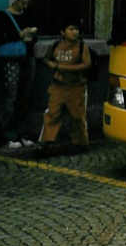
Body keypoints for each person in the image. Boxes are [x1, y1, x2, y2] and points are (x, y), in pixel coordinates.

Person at [0, 0, 38, 149]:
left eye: (27, 3)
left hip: (27, 58)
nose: (25, 6)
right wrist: (19, 35)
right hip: (10, 61)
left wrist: (31, 35)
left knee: (25, 97)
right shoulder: (3, 16)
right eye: (23, 2)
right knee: (10, 96)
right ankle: (5, 136)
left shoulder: (28, 15)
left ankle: (21, 134)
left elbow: (35, 38)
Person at [39, 19, 92, 151]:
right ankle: (47, 142)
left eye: (76, 29)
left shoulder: (81, 46)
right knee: (52, 113)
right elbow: (46, 58)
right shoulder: (56, 45)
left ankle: (80, 143)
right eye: (71, 29)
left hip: (76, 86)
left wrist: (61, 67)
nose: (75, 32)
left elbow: (86, 64)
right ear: (63, 32)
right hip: (58, 86)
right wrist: (50, 64)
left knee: (77, 115)